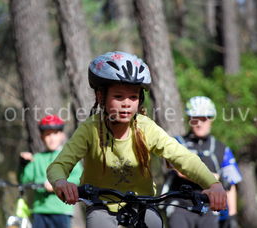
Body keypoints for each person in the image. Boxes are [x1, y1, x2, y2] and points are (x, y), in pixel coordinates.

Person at [46, 51, 227, 228]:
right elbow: (58, 165)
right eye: (118, 96)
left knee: (154, 223)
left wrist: (212, 184)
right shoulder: (90, 129)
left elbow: (182, 157)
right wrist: (61, 182)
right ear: (101, 97)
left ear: (140, 100)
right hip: (101, 206)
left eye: (133, 97)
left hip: (143, 204)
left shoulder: (145, 128)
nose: (126, 103)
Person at [164, 96, 242, 228]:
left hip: (209, 208)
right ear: (189, 119)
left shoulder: (222, 148)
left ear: (211, 119)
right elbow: (179, 171)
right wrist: (215, 178)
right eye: (195, 119)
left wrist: (232, 215)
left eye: (204, 119)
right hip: (180, 205)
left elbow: (230, 183)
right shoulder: (177, 142)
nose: (199, 123)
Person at [20, 115, 83, 228]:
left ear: (62, 135)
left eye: (55, 133)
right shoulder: (37, 158)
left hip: (61, 210)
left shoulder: (69, 157)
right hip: (40, 210)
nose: (51, 138)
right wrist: (23, 164)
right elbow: (24, 180)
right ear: (41, 137)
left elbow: (79, 178)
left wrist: (59, 183)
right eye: (48, 134)